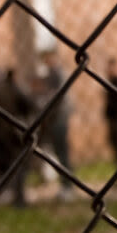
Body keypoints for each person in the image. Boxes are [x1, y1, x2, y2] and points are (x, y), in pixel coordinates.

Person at [0, 67, 36, 206]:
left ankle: (14, 195)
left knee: (13, 163)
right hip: (17, 131)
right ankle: (19, 198)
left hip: (3, 130)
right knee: (21, 165)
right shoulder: (15, 89)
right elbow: (29, 104)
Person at [36, 48, 72, 179]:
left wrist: (44, 100)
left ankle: (67, 184)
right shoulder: (51, 75)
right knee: (59, 150)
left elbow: (56, 96)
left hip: (59, 117)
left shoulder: (58, 74)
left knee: (62, 151)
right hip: (54, 117)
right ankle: (65, 182)